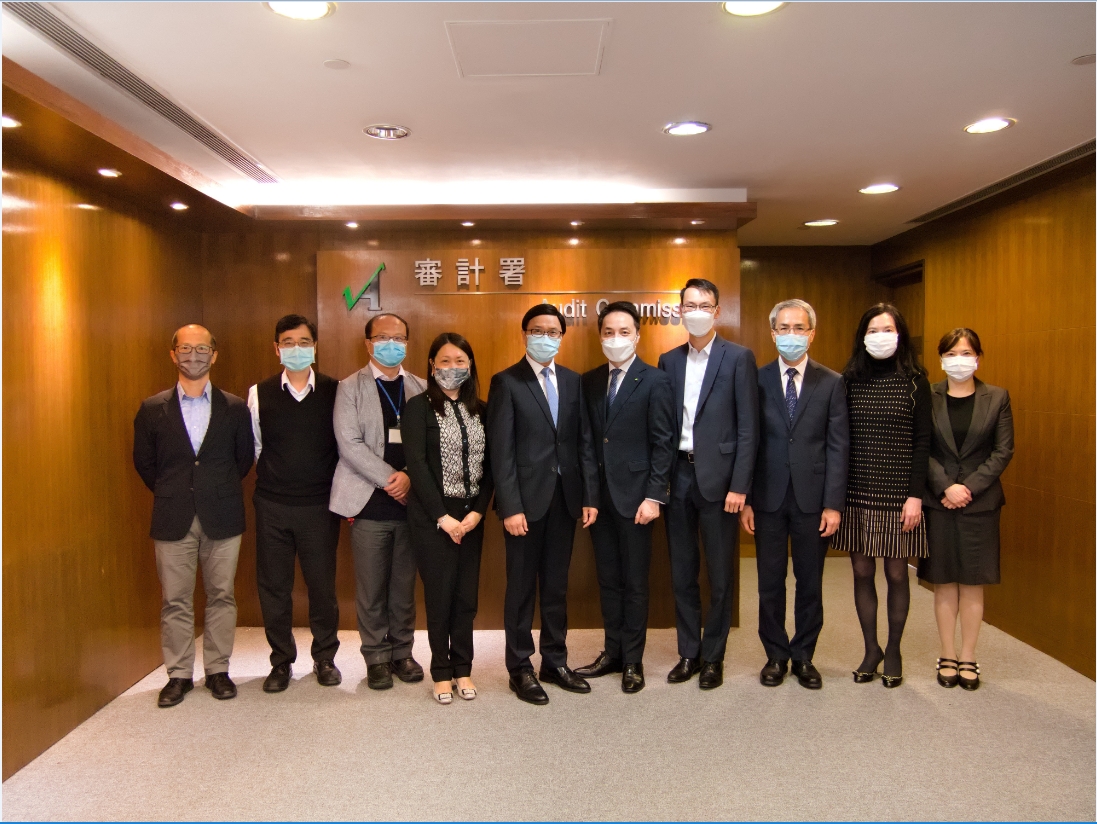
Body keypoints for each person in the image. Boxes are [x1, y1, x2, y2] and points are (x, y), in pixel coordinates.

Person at [132, 324, 253, 708]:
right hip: (172, 515)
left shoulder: (235, 407)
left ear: (214, 354)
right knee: (175, 600)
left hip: (222, 513)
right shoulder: (152, 409)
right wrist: (177, 491)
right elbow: (145, 464)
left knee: (222, 595)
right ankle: (179, 675)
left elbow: (243, 461)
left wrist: (210, 489)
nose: (194, 355)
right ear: (173, 354)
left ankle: (218, 670)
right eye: (186, 348)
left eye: (202, 349)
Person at [487, 303, 599, 705]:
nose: (546, 337)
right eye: (538, 330)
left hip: (565, 501)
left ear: (561, 336)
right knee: (520, 589)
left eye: (553, 331)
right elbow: (500, 453)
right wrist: (510, 506)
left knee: (556, 586)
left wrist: (589, 495)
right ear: (524, 334)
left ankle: (555, 661)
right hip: (524, 506)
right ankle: (520, 667)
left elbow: (582, 443)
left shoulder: (573, 382)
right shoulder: (507, 382)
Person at [740, 299, 849, 690]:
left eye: (798, 328)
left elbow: (839, 446)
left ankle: (804, 656)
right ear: (772, 334)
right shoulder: (756, 378)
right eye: (783, 328)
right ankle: (775, 655)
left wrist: (833, 504)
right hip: (767, 497)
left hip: (813, 499)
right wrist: (747, 497)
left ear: (811, 333)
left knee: (810, 581)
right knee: (769, 581)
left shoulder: (832, 382)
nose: (791, 335)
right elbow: (748, 441)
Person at [658, 278, 758, 690]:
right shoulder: (668, 360)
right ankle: (689, 652)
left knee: (719, 575)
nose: (696, 310)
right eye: (689, 304)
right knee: (682, 571)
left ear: (717, 312)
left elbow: (749, 428)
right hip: (678, 475)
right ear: (680, 311)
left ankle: (713, 656)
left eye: (704, 304)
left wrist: (740, 485)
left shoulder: (738, 358)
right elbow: (664, 427)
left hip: (720, 483)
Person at [575, 302, 676, 694]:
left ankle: (633, 660)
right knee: (608, 581)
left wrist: (654, 496)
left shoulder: (655, 380)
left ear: (638, 335)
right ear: (600, 336)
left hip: (638, 502)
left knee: (635, 583)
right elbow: (587, 444)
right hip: (599, 501)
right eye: (608, 332)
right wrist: (589, 495)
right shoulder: (590, 380)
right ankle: (612, 652)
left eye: (623, 332)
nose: (615, 339)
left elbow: (663, 444)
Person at [831, 303, 931, 688]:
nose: (880, 336)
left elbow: (923, 442)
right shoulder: (848, 379)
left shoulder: (916, 381)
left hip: (899, 494)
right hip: (857, 489)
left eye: (887, 329)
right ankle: (870, 648)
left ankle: (893, 649)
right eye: (873, 330)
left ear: (900, 334)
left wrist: (915, 496)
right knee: (860, 570)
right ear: (862, 336)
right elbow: (840, 438)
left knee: (895, 573)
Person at [330, 313, 426, 690]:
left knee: (403, 586)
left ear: (408, 343)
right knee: (371, 587)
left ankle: (403, 651)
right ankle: (376, 657)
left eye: (399, 337)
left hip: (411, 504)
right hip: (368, 502)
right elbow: (349, 444)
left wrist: (410, 479)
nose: (391, 343)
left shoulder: (421, 386)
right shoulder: (349, 387)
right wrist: (391, 478)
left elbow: (430, 446)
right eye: (382, 337)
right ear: (367, 343)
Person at [247, 314, 342, 693]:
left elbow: (343, 445)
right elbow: (254, 447)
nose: (297, 349)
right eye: (288, 342)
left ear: (315, 347)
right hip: (272, 505)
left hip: (320, 506)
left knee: (322, 586)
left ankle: (325, 657)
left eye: (304, 342)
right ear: (276, 348)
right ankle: (281, 662)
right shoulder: (260, 392)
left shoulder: (336, 391)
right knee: (274, 587)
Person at [918, 328, 1013, 690]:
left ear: (978, 357)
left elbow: (1003, 450)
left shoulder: (997, 397)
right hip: (939, 501)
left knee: (973, 582)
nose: (960, 359)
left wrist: (966, 489)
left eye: (967, 352)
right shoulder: (928, 396)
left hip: (980, 503)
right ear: (941, 359)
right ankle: (947, 654)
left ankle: (969, 656)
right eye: (952, 353)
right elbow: (921, 447)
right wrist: (945, 486)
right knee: (943, 581)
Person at [403, 333, 494, 704]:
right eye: (444, 361)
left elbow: (492, 466)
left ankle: (464, 668)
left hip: (471, 515)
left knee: (466, 597)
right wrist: (442, 517)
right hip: (432, 517)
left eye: (460, 360)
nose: (452, 368)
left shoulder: (482, 409)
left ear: (470, 365)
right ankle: (440, 671)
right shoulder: (417, 407)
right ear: (431, 365)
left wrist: (476, 512)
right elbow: (418, 467)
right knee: (439, 595)